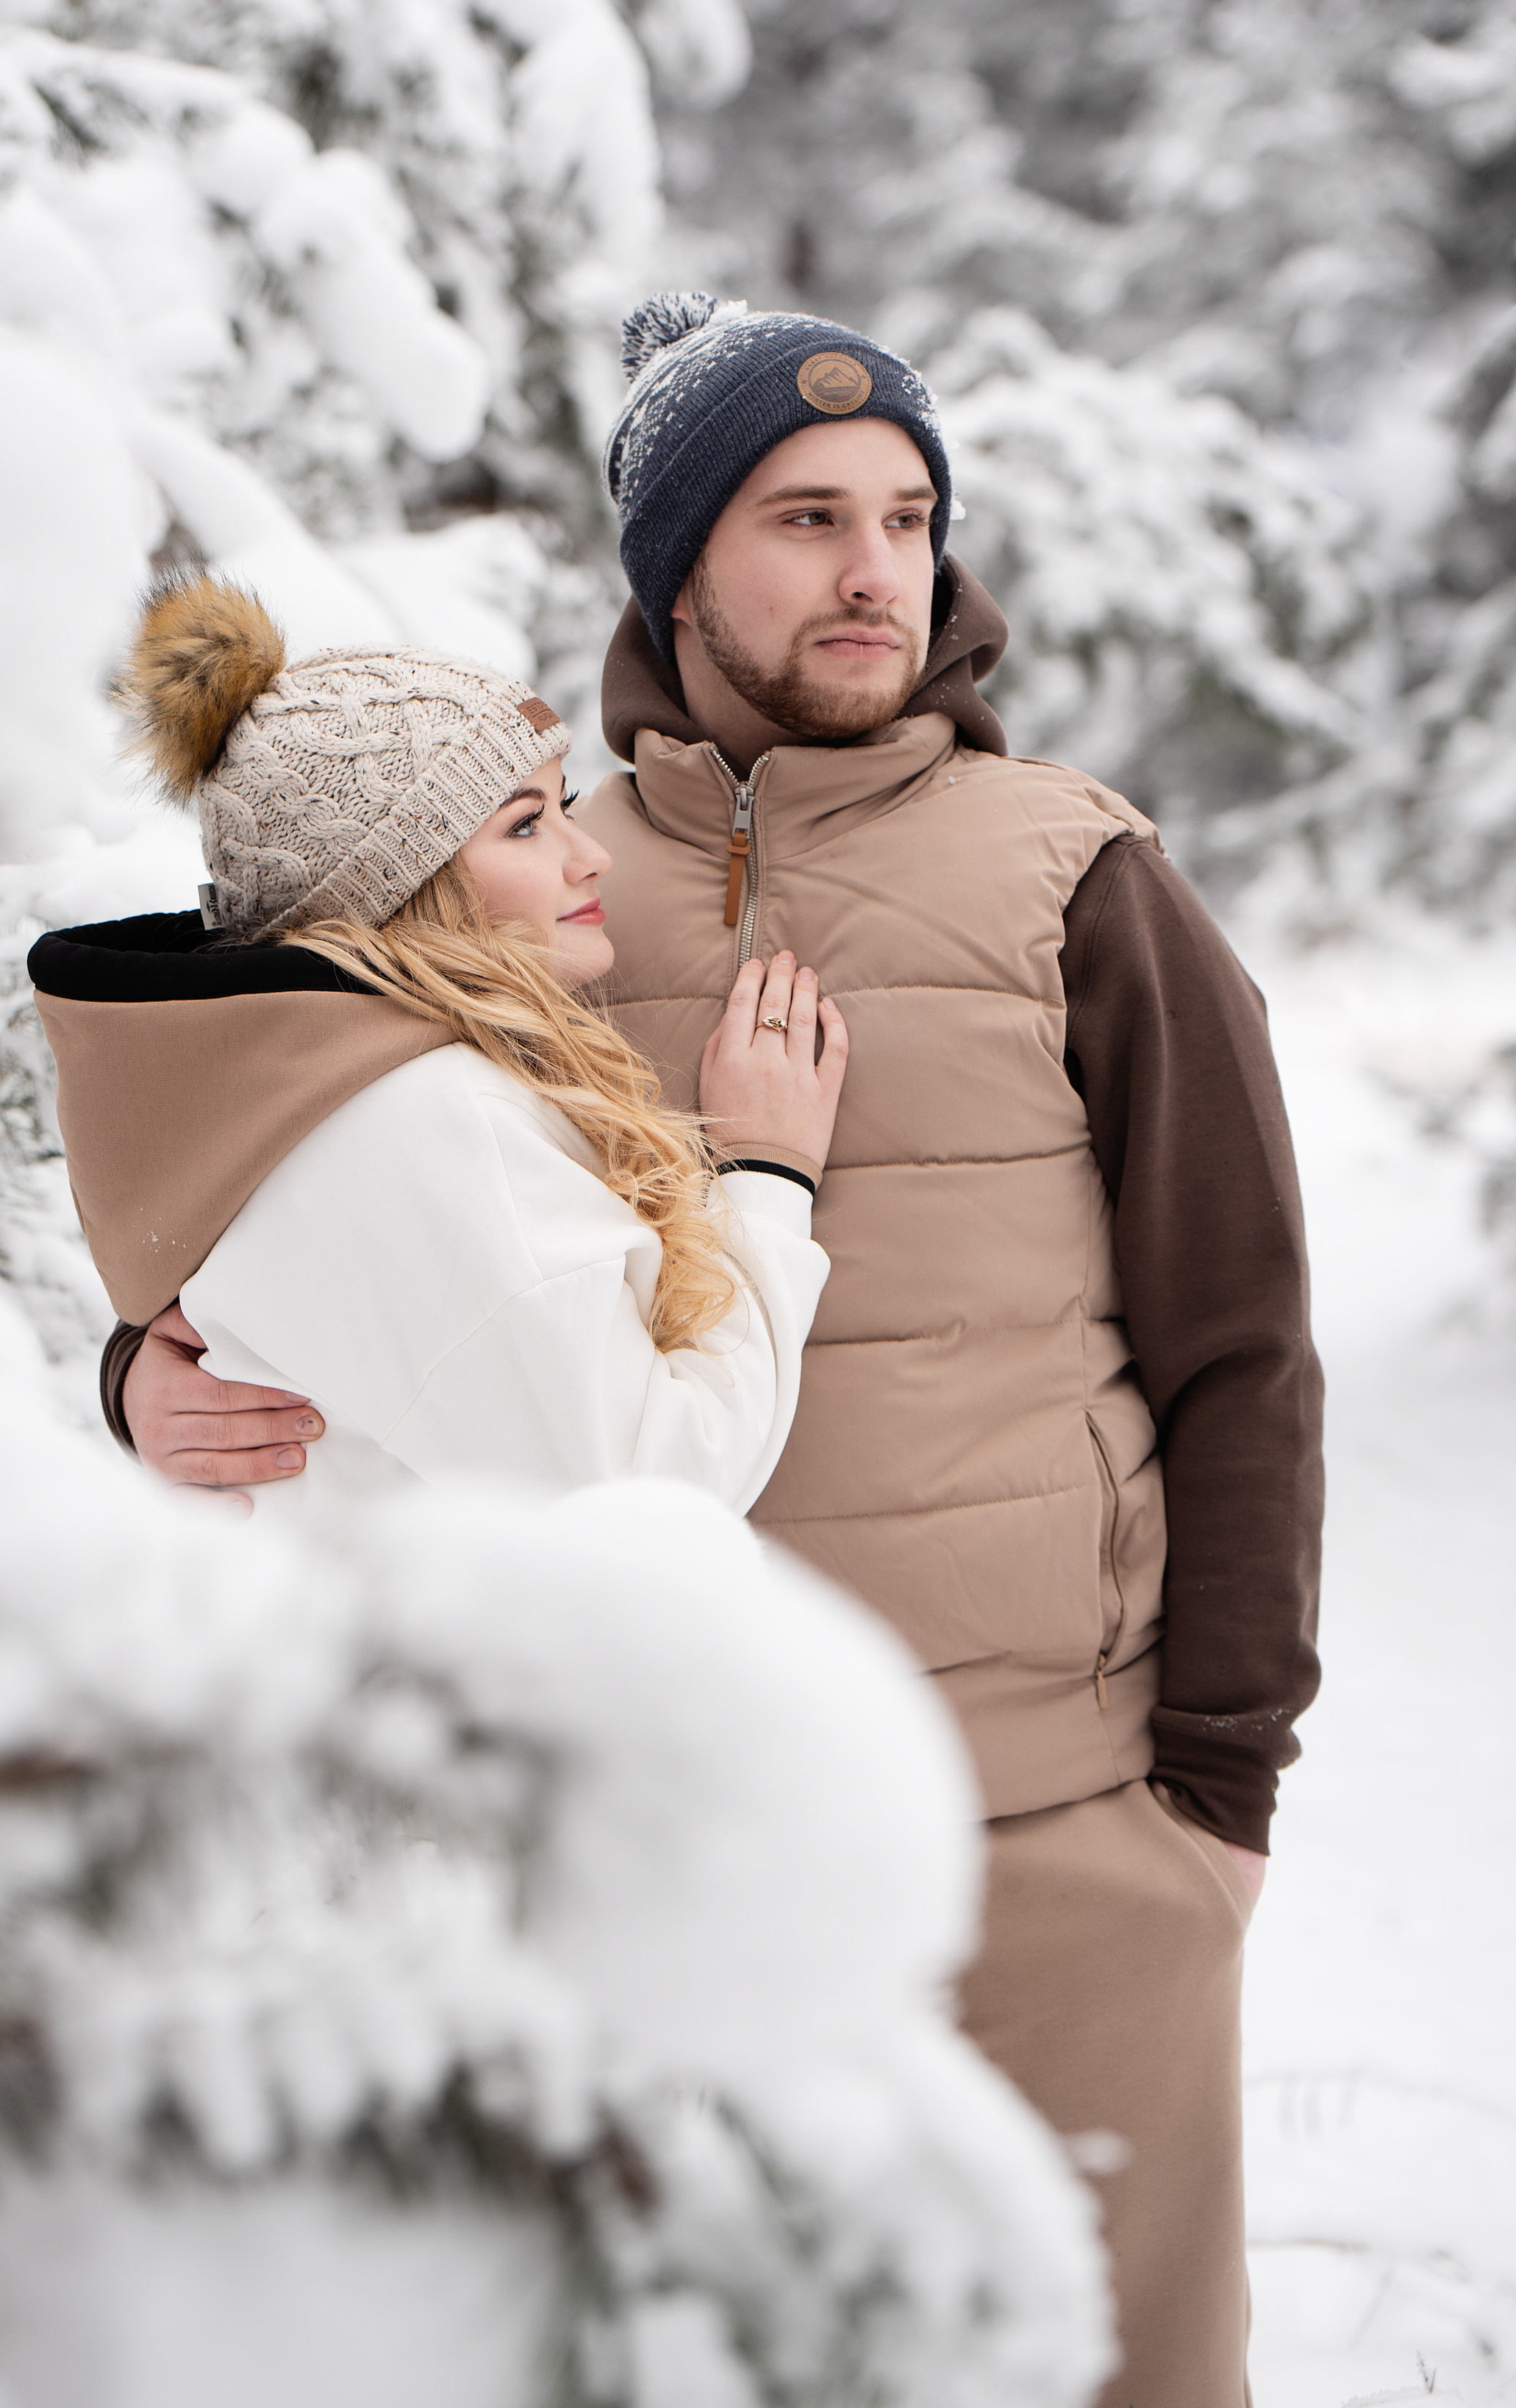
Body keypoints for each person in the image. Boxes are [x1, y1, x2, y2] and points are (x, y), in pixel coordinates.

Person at [105, 295, 1323, 2408]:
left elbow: (1247, 1349)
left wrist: (1213, 1797)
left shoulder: (1080, 878)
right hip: (658, 1879)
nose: (875, 570)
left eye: (910, 518)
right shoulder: (516, 871)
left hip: (1058, 1840)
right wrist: (143, 1369)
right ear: (675, 568)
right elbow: (276, 1158)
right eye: (804, 517)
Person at [29, 577, 848, 1523]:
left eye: (563, 805)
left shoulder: (286, 1102)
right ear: (400, 888)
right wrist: (762, 1173)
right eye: (526, 823)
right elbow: (650, 1492)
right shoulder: (437, 1124)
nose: (592, 856)